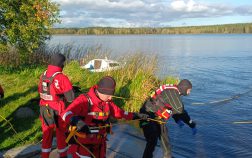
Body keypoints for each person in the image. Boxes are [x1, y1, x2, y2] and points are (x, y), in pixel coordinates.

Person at [61, 76, 148, 158]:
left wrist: (136, 116)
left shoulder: (108, 103)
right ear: (101, 91)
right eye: (109, 95)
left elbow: (120, 113)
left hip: (100, 145)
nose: (110, 98)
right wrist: (75, 120)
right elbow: (65, 113)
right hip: (84, 146)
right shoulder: (84, 100)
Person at [139, 79, 197, 158]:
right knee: (152, 139)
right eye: (189, 90)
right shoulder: (174, 94)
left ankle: (167, 156)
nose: (189, 93)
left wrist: (177, 119)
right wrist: (192, 124)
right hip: (147, 115)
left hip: (157, 117)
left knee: (165, 138)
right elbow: (181, 112)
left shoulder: (173, 91)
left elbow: (171, 108)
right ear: (184, 88)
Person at [38, 53, 75, 158]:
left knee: (47, 132)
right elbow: (71, 98)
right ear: (61, 64)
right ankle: (63, 155)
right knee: (61, 133)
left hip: (43, 107)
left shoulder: (43, 75)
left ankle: (44, 155)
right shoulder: (62, 77)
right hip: (57, 108)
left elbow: (40, 90)